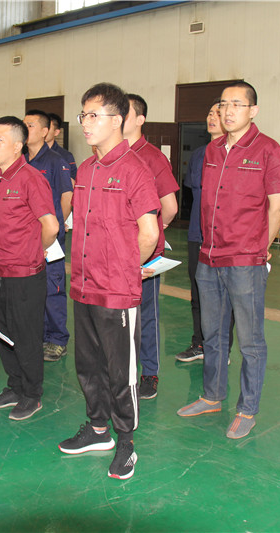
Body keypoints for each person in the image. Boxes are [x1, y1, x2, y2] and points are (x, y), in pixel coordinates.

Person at [176, 81, 280, 440]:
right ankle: (211, 396)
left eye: (237, 104)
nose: (228, 111)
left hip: (245, 260)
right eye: (224, 104)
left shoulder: (268, 149)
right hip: (209, 256)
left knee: (250, 340)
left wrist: (260, 249)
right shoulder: (211, 151)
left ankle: (247, 409)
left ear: (253, 111)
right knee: (213, 333)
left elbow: (277, 206)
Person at [58, 83, 159, 480]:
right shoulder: (86, 169)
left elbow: (149, 232)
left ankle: (126, 441)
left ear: (117, 120)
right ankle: (98, 429)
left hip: (116, 291)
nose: (85, 123)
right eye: (83, 115)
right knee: (88, 365)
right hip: (84, 286)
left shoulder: (135, 169)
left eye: (94, 115)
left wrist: (126, 269)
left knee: (121, 372)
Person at [0, 116, 58, 421]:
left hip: (25, 274)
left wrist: (34, 250)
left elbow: (51, 225)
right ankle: (15, 386)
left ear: (17, 146)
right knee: (4, 333)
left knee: (26, 336)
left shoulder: (30, 178)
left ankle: (31, 394)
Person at [122, 94, 180, 400]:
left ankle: (150, 372)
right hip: (114, 253)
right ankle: (122, 369)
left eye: (126, 113)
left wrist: (154, 233)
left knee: (146, 315)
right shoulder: (109, 155)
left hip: (143, 254)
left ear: (140, 120)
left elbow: (169, 207)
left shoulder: (153, 157)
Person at [175, 100, 236, 363]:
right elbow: (194, 191)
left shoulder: (234, 155)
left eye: (218, 114)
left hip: (225, 237)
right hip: (197, 234)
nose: (213, 118)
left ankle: (222, 348)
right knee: (198, 292)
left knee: (225, 295)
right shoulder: (199, 155)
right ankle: (199, 343)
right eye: (210, 113)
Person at [23, 110, 73, 362]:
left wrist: (56, 225)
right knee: (31, 288)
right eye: (23, 125)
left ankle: (57, 339)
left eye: (30, 125)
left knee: (53, 288)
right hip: (26, 237)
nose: (25, 129)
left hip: (49, 235)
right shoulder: (20, 160)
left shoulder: (55, 161)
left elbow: (66, 196)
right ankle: (38, 335)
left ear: (45, 131)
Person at [46, 112, 77, 176]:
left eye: (48, 128)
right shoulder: (31, 154)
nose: (44, 131)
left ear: (56, 132)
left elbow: (74, 178)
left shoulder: (65, 156)